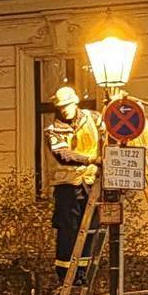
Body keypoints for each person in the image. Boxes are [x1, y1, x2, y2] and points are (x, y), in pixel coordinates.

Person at [47, 86, 101, 275]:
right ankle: (65, 273)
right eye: (61, 107)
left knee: (89, 227)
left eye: (67, 106)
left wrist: (118, 103)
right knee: (68, 229)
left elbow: (112, 128)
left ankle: (83, 272)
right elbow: (63, 155)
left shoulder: (93, 118)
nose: (64, 110)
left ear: (75, 103)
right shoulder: (53, 130)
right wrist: (91, 159)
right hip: (67, 186)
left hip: (90, 182)